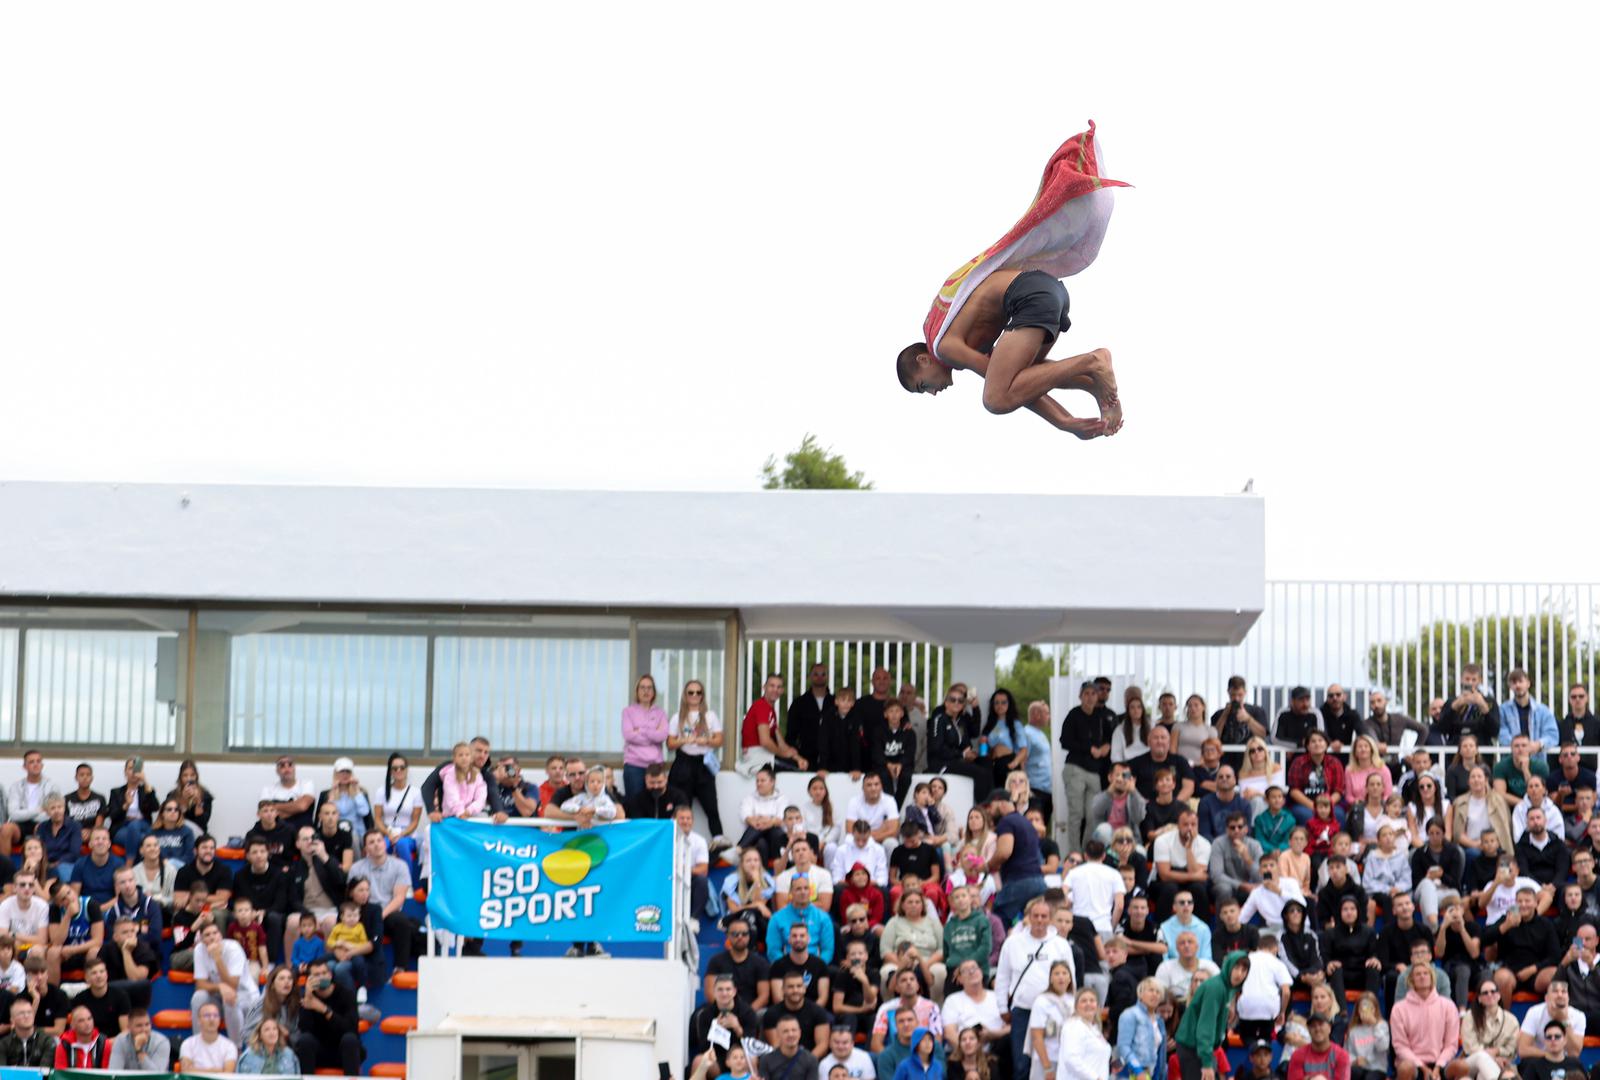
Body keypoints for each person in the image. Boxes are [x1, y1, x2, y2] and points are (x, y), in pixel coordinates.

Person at [996, 898, 1074, 1080]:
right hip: (1023, 1010)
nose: (1039, 920)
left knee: (1054, 1062)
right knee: (1021, 1064)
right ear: (1028, 917)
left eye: (1044, 916)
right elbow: (1002, 977)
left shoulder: (1060, 944)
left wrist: (1071, 1007)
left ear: (1050, 918)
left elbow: (1071, 978)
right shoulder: (1012, 943)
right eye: (1036, 915)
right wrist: (1002, 1007)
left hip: (1054, 1011)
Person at [349, 827, 426, 975]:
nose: (376, 844)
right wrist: (374, 915)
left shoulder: (400, 865)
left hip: (388, 911)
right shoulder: (356, 869)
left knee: (402, 922)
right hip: (365, 912)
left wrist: (381, 915)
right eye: (371, 842)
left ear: (385, 844)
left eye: (379, 840)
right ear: (365, 849)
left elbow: (399, 898)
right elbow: (353, 897)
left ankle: (400, 968)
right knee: (410, 926)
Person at [1172, 952, 1250, 1080]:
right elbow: (1206, 1027)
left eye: (1244, 970)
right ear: (1228, 966)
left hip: (1201, 1048)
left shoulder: (1227, 988)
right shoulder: (1215, 988)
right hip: (1193, 1047)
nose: (1239, 974)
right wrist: (1207, 1063)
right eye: (1236, 967)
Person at [667, 679, 725, 840]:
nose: (694, 695)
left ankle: (719, 843)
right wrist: (684, 740)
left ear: (702, 695)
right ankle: (676, 844)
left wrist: (706, 740)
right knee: (681, 809)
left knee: (712, 808)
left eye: (698, 692)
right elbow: (670, 743)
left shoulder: (710, 716)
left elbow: (719, 740)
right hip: (683, 763)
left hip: (703, 764)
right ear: (685, 695)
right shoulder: (677, 717)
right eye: (690, 692)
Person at [1060, 683, 1113, 855]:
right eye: (1087, 693)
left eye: (1093, 694)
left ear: (1098, 697)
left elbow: (1110, 738)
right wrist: (1089, 748)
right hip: (1075, 768)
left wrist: (1106, 746)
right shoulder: (1074, 714)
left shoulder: (1101, 717)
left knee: (1093, 815)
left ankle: (1087, 852)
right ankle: (1074, 854)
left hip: (1094, 771)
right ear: (1080, 696)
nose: (1090, 697)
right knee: (1076, 814)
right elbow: (1064, 741)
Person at [193, 919, 258, 1045]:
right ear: (202, 939)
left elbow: (233, 985)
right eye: (207, 935)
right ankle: (199, 1044)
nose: (212, 937)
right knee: (198, 997)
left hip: (244, 994)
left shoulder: (233, 948)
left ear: (221, 935)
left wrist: (217, 958)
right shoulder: (199, 950)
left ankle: (237, 1047)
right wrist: (220, 987)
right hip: (219, 995)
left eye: (215, 933)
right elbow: (200, 985)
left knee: (229, 998)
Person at [1391, 961, 1460, 1080]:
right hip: (1412, 1064)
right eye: (1418, 974)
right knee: (1405, 1068)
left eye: (1426, 973)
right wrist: (1422, 1067)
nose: (1422, 977)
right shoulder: (1399, 1009)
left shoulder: (1448, 1006)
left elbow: (1451, 1045)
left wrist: (1438, 1066)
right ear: (1411, 980)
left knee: (1462, 1067)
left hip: (1440, 1062)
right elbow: (1400, 1046)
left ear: (1432, 977)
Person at [296, 956, 363, 1076]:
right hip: (317, 1053)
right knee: (305, 1040)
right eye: (316, 975)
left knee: (350, 1039)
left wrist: (324, 1010)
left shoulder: (346, 994)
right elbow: (305, 1029)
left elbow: (351, 1028)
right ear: (309, 979)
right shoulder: (305, 998)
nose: (322, 977)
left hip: (343, 1051)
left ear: (330, 975)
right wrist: (308, 996)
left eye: (324, 973)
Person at [987, 792, 1046, 926]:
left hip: (1018, 880)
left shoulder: (1006, 821)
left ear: (1001, 804)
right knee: (1034, 921)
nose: (989, 811)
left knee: (998, 918)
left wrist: (987, 866)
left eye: (991, 806)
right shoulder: (1026, 822)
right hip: (1038, 880)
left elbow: (1004, 852)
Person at [686, 974, 759, 1076]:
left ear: (734, 992)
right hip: (717, 1059)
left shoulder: (747, 1013)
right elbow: (704, 1048)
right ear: (714, 992)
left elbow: (751, 1045)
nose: (724, 993)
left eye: (728, 989)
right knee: (698, 1061)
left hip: (740, 1057)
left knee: (752, 1059)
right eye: (720, 989)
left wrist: (737, 1028)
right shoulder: (705, 1014)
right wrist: (715, 1030)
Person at [1447, 977, 1518, 1080]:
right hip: (1472, 1063)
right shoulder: (1470, 1016)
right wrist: (1492, 1058)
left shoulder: (1511, 1020)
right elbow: (1470, 1048)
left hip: (1501, 1063)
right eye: (1485, 993)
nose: (1489, 995)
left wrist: (1498, 1051)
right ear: (1479, 999)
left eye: (1493, 991)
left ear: (1499, 995)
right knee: (1481, 1056)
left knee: (1481, 1076)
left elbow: (1512, 1049)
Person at [374, 753, 425, 883]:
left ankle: (407, 883)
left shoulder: (415, 792)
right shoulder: (381, 791)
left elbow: (415, 821)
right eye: (395, 768)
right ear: (390, 771)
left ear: (407, 770)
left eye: (402, 767)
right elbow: (378, 819)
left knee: (402, 844)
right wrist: (388, 833)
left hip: (407, 833)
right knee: (381, 846)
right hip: (387, 832)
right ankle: (381, 882)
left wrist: (401, 834)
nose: (399, 771)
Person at [1234, 934, 1291, 1048]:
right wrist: (1282, 1012)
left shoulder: (1246, 960)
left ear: (1258, 947)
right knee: (1266, 1040)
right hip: (1269, 1007)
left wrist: (1234, 1006)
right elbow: (1286, 992)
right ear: (1275, 948)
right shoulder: (1277, 963)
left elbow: (1235, 983)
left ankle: (1254, 1049)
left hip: (1247, 1005)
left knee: (1247, 1037)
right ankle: (1260, 1050)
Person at [0, 750, 60, 857]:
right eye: (31, 762)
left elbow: (51, 813)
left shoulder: (52, 786)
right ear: (25, 766)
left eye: (38, 761)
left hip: (42, 823)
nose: (36, 764)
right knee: (6, 829)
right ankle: (5, 866)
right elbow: (13, 814)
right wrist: (39, 810)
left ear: (42, 765)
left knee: (40, 828)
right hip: (20, 825)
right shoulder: (16, 786)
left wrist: (27, 813)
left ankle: (41, 866)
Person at [941, 958, 1007, 1055]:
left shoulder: (997, 997)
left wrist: (992, 1035)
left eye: (974, 968)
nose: (971, 972)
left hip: (995, 1051)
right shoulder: (952, 1000)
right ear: (959, 979)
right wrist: (971, 1052)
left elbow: (1011, 1027)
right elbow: (950, 1034)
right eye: (965, 970)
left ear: (981, 972)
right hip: (963, 1054)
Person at [704, 921, 772, 1012]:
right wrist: (725, 1012)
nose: (740, 937)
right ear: (728, 936)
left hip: (752, 1012)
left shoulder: (760, 963)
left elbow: (764, 997)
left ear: (749, 936)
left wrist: (746, 1014)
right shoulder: (716, 961)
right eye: (735, 934)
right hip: (721, 1010)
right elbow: (710, 993)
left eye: (744, 934)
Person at [765, 970, 832, 1058]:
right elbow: (776, 1045)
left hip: (811, 1060)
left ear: (804, 989)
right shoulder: (772, 1014)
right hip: (782, 1060)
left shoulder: (818, 1012)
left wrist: (806, 1061)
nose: (795, 990)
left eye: (799, 986)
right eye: (790, 987)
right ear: (783, 990)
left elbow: (822, 1045)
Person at [1519, 977, 1587, 1060]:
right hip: (1540, 1059)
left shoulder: (1579, 1016)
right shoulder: (1534, 1012)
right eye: (1555, 991)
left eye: (1563, 991)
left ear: (1568, 998)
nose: (1560, 995)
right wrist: (1551, 1056)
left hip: (1565, 1062)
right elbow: (1523, 1050)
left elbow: (1574, 1053)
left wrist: (1564, 1020)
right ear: (1546, 998)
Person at [1115, 976, 1167, 1080]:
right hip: (1130, 1073)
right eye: (1151, 990)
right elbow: (1123, 1046)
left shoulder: (1159, 1021)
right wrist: (1138, 1070)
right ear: (1140, 994)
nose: (1154, 994)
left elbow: (1160, 1054)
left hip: (1151, 1074)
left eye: (1158, 992)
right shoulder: (1130, 1014)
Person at [1055, 987, 1109, 1080]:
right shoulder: (1073, 1026)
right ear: (1076, 1007)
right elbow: (1071, 1059)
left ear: (1097, 1006)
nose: (1088, 1004)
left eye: (1092, 1000)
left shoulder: (1093, 1028)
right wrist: (1095, 1078)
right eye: (1084, 1001)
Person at [72, 955, 129, 1037]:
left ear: (107, 974)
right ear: (87, 978)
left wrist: (106, 1043)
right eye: (94, 973)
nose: (99, 976)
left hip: (115, 1041)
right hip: (89, 1042)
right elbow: (75, 1029)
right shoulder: (79, 1000)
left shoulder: (121, 996)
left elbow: (125, 1032)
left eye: (102, 971)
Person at [1155, 931, 1218, 1004]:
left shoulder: (1210, 966)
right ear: (1177, 948)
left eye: (1190, 942)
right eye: (1182, 943)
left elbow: (1220, 991)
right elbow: (1160, 995)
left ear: (1197, 947)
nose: (1186, 945)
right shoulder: (1165, 967)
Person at [260, 754, 317, 834]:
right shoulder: (268, 789)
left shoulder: (306, 784)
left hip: (304, 834)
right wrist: (297, 808)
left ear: (294, 768)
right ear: (277, 770)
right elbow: (265, 814)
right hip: (277, 833)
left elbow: (302, 806)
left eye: (290, 765)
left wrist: (274, 806)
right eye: (282, 765)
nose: (287, 769)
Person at [180, 999, 239, 1072]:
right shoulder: (188, 1044)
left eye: (216, 1015)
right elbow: (186, 1071)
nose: (212, 1019)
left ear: (219, 1020)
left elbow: (227, 1073)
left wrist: (196, 1070)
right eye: (207, 1015)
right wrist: (216, 1071)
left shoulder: (229, 1046)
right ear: (198, 1020)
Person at [1289, 1012, 1351, 1080]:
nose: (1317, 1029)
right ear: (1309, 1030)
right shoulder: (1298, 1055)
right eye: (1313, 1026)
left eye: (1321, 1024)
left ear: (1329, 1028)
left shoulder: (1341, 1055)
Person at [1519, 1020, 1587, 1080]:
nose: (1553, 1040)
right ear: (1544, 1041)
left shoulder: (1575, 1064)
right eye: (1549, 1037)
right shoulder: (1534, 1066)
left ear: (1565, 1040)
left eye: (1557, 1036)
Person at [763, 1014, 823, 1080]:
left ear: (800, 1033)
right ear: (778, 1035)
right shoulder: (766, 1060)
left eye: (794, 1030)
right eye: (785, 1031)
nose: (790, 1034)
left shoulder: (810, 1060)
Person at [0, 997, 55, 1067]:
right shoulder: (4, 1044)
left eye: (29, 1012)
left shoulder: (47, 1041)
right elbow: (2, 1071)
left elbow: (45, 1070)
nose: (26, 1016)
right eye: (21, 1013)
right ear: (12, 1020)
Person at [53, 1002, 111, 1068]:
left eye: (89, 1019)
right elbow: (60, 1072)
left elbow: (106, 1072)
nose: (87, 1023)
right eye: (81, 1020)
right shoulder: (64, 1045)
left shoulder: (104, 1044)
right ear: (72, 1025)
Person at [64, 763, 107, 836]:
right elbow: (66, 822)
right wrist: (78, 832)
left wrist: (91, 832)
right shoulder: (67, 799)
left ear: (92, 778)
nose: (85, 777)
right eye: (82, 775)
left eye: (88, 775)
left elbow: (99, 822)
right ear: (76, 777)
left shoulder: (100, 798)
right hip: (73, 833)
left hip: (94, 833)